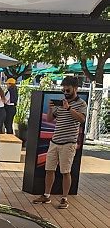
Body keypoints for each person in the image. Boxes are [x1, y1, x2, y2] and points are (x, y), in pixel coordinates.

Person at [33, 76, 87, 210]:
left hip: (68, 143)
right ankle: (46, 195)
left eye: (68, 88)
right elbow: (50, 120)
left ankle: (64, 198)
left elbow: (82, 119)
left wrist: (69, 109)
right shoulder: (61, 102)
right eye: (63, 88)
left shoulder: (81, 104)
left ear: (75, 88)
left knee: (65, 171)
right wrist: (50, 109)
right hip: (54, 141)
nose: (65, 90)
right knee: (49, 169)